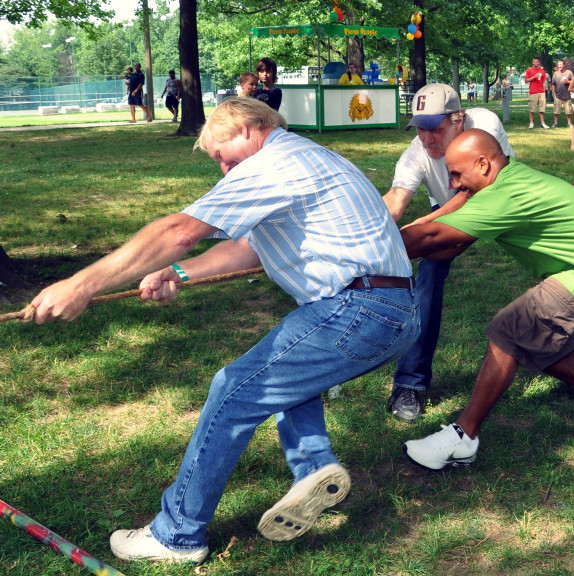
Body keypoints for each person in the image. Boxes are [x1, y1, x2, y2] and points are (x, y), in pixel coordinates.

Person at [29, 98, 419, 562]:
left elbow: (178, 230)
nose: (221, 167)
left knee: (233, 391)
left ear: (252, 126)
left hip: (359, 310)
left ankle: (177, 534)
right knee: (284, 377)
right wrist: (181, 272)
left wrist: (80, 285)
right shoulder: (305, 158)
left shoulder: (277, 163)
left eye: (221, 151)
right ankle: (316, 468)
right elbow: (246, 250)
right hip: (387, 311)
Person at [400, 129, 574, 470]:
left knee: (509, 331)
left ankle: (463, 436)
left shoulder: (506, 195)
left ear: (484, 164)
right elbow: (452, 242)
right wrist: (430, 220)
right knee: (532, 339)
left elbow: (432, 237)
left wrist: (375, 249)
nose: (455, 185)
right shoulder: (513, 177)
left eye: (457, 175)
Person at [381, 83, 514, 422]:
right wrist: (366, 232)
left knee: (553, 258)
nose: (427, 139)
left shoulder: (484, 125)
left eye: (435, 129)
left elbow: (471, 196)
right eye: (420, 129)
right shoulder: (416, 151)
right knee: (428, 273)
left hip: (504, 203)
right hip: (452, 209)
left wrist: (420, 226)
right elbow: (395, 201)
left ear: (459, 119)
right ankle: (409, 383)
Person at [524, 56, 549, 129]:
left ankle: (542, 123)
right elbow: (526, 80)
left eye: (537, 62)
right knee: (532, 108)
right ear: (532, 62)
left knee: (542, 108)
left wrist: (544, 91)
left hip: (541, 92)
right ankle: (531, 123)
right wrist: (534, 77)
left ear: (539, 62)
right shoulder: (529, 70)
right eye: (534, 61)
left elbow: (544, 81)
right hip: (533, 92)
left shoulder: (542, 71)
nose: (535, 63)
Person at [551, 60, 573, 128]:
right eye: (558, 65)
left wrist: (568, 82)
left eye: (561, 64)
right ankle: (555, 123)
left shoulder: (569, 72)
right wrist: (554, 93)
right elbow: (553, 84)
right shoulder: (555, 73)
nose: (559, 66)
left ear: (564, 65)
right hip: (557, 95)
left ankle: (569, 123)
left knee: (568, 111)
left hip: (567, 95)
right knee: (556, 111)